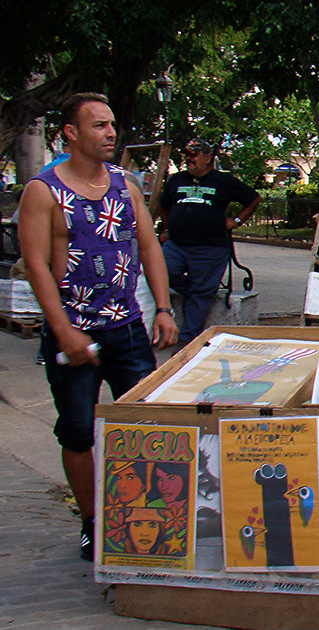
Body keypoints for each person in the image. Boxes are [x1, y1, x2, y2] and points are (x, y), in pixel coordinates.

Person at [17, 92, 178, 561]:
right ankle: (92, 521)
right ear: (70, 133)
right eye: (98, 126)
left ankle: (150, 514)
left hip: (127, 329)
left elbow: (148, 246)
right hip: (73, 334)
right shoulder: (43, 191)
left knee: (148, 422)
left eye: (111, 124)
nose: (110, 133)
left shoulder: (125, 185)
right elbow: (35, 264)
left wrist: (163, 308)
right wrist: (63, 329)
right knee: (77, 430)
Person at [155, 138, 261, 348]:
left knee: (201, 295)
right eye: (187, 154)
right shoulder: (177, 180)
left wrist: (237, 221)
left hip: (210, 247)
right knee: (160, 271)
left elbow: (253, 199)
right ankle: (195, 290)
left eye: (194, 154)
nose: (189, 159)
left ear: (207, 158)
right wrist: (167, 228)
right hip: (177, 244)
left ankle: (186, 342)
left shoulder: (223, 181)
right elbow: (163, 204)